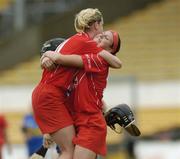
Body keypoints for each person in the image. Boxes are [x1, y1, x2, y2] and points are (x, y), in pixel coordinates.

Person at [32, 8, 120, 159]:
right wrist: (47, 56)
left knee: (67, 151)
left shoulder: (80, 43)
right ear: (97, 25)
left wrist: (48, 55)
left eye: (105, 38)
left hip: (55, 100)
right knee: (68, 151)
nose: (100, 36)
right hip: (54, 99)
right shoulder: (86, 44)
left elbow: (115, 63)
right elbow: (117, 63)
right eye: (102, 30)